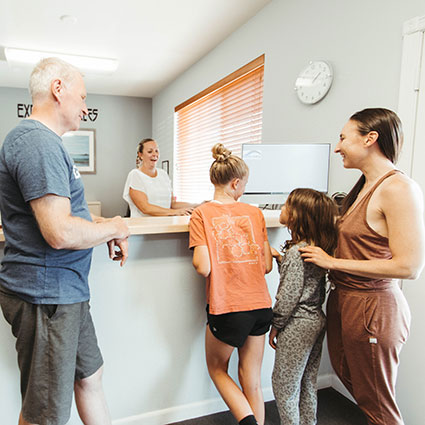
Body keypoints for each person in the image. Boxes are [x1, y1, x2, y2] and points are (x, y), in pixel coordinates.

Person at [0, 57, 130, 425]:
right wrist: (115, 229)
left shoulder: (47, 144)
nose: (86, 108)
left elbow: (71, 216)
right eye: (83, 97)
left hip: (66, 293)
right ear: (58, 89)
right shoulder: (36, 144)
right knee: (45, 413)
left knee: (90, 377)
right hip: (46, 296)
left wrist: (105, 223)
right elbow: (59, 232)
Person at [299, 108, 425, 425]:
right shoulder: (363, 186)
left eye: (343, 137)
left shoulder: (398, 188)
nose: (338, 146)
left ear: (370, 138)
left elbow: (409, 267)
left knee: (379, 406)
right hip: (345, 300)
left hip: (373, 307)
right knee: (362, 392)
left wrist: (332, 262)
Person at [189, 143, 273, 425]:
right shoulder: (255, 213)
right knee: (252, 381)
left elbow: (203, 267)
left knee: (217, 369)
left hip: (228, 308)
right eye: (244, 184)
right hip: (261, 306)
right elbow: (267, 265)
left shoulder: (201, 214)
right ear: (236, 183)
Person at [268, 188, 338, 425]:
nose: (282, 208)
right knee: (307, 381)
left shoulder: (297, 253)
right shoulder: (313, 247)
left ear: (299, 215)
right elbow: (303, 284)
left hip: (297, 324)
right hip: (315, 320)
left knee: (283, 384)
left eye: (287, 205)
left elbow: (288, 297)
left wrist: (276, 325)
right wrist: (281, 260)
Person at [123, 138, 197, 216]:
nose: (154, 154)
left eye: (156, 151)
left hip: (165, 225)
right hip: (143, 226)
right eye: (150, 151)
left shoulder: (163, 175)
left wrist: (197, 205)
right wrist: (175, 212)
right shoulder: (135, 175)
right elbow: (145, 208)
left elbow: (173, 204)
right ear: (140, 155)